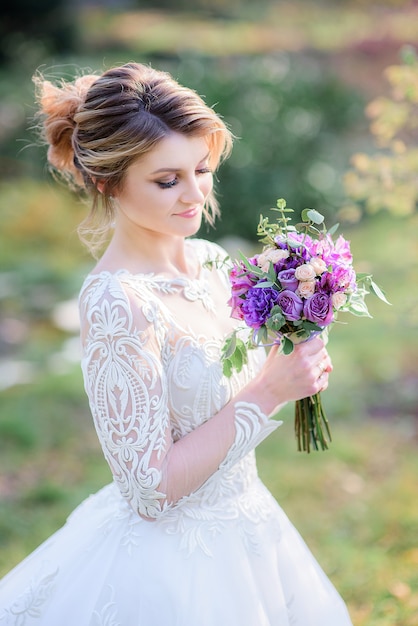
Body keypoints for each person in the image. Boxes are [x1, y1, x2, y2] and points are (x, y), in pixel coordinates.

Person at [0, 62, 353, 625]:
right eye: (168, 180)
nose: (195, 195)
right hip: (170, 568)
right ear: (104, 181)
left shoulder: (213, 264)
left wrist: (298, 347)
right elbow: (149, 488)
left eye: (202, 169)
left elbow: (236, 390)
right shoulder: (117, 302)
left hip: (250, 531)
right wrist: (268, 393)